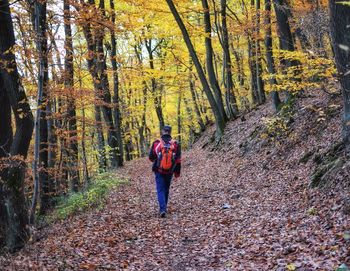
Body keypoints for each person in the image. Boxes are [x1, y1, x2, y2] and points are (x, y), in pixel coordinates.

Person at [149, 125, 181, 218]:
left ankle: (162, 209)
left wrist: (157, 160)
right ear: (170, 132)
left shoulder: (156, 143)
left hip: (158, 170)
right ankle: (164, 208)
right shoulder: (175, 144)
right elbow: (178, 160)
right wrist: (177, 173)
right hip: (170, 171)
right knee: (166, 189)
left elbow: (151, 157)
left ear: (162, 131)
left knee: (160, 189)